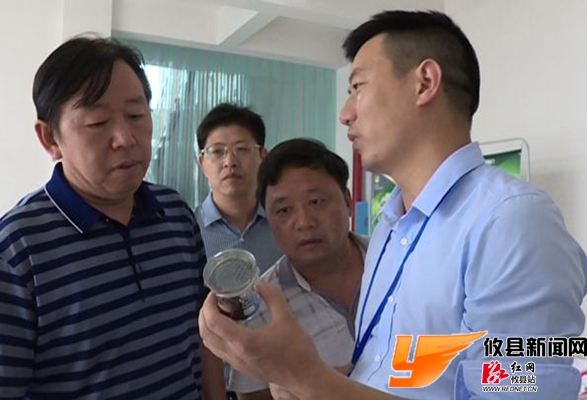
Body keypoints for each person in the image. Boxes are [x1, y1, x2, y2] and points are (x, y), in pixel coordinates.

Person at [199, 10, 587, 400]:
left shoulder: (512, 221)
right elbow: (410, 372)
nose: (345, 114)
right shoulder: (392, 226)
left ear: (425, 83)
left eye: (358, 86)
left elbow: (514, 391)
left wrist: (308, 378)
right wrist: (320, 381)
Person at [0, 37, 210, 399]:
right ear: (50, 138)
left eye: (136, 115)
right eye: (97, 122)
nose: (125, 138)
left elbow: (206, 335)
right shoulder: (17, 251)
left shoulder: (176, 214)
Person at [229, 139, 367, 400]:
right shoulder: (261, 309)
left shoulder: (396, 261)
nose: (304, 222)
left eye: (315, 202)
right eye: (284, 210)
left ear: (347, 200)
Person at [196, 103, 283, 399]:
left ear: (263, 156)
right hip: (215, 386)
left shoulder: (286, 227)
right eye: (217, 151)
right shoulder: (187, 231)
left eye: (242, 149)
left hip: (283, 381)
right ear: (202, 163)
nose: (230, 161)